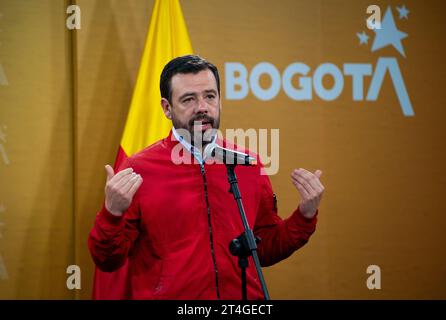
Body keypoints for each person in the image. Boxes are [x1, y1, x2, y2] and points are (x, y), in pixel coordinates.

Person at [88, 55, 325, 300]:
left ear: (220, 101)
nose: (202, 107)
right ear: (167, 108)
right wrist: (112, 214)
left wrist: (305, 216)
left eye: (210, 96)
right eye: (189, 99)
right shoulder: (139, 169)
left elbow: (263, 250)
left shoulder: (247, 164)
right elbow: (108, 260)